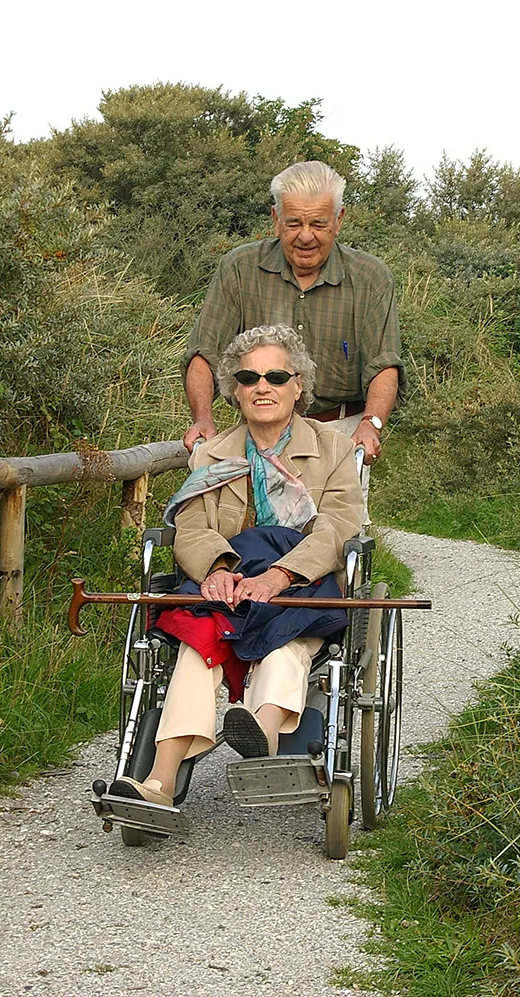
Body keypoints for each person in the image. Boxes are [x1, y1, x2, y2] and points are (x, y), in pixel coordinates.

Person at [111, 324, 364, 808]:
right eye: (249, 377)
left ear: (298, 387)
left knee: (286, 642)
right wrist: (217, 568)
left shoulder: (333, 449)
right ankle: (158, 786)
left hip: (298, 580)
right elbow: (191, 526)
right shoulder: (213, 453)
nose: (262, 387)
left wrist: (280, 576)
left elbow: (338, 527)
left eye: (275, 376)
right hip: (228, 581)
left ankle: (261, 737)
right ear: (234, 389)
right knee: (194, 645)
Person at [182, 161, 403, 468]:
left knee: (336, 517)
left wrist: (372, 423)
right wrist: (203, 418)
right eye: (295, 223)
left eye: (318, 224)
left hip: (340, 436)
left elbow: (384, 364)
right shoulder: (239, 268)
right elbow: (204, 353)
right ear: (276, 219)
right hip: (255, 433)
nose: (306, 236)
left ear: (339, 220)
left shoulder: (371, 278)